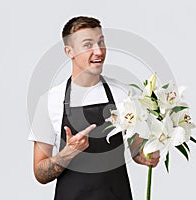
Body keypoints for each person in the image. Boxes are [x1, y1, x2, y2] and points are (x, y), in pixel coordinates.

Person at [28, 16, 160, 200]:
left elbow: (136, 149)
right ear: (69, 51)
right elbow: (40, 174)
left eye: (101, 42)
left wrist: (146, 154)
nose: (99, 51)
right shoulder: (49, 101)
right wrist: (67, 154)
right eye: (88, 45)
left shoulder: (125, 93)